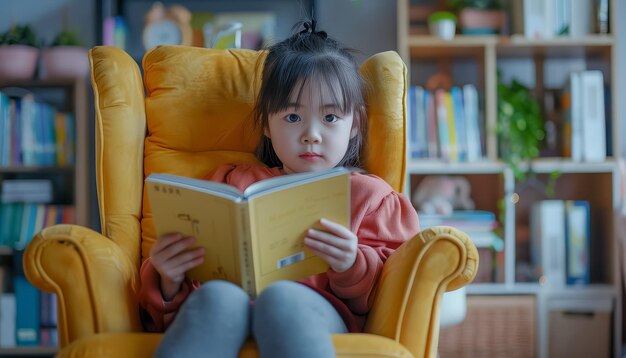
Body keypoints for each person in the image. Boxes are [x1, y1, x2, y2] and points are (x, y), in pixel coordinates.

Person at [138, 20, 420, 358]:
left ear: (355, 123)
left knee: (281, 297)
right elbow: (189, 283)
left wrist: (352, 263)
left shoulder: (370, 197)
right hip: (225, 310)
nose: (311, 134)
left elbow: (390, 288)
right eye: (292, 117)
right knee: (218, 297)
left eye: (330, 118)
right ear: (268, 124)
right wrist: (169, 277)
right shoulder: (230, 183)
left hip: (315, 315)